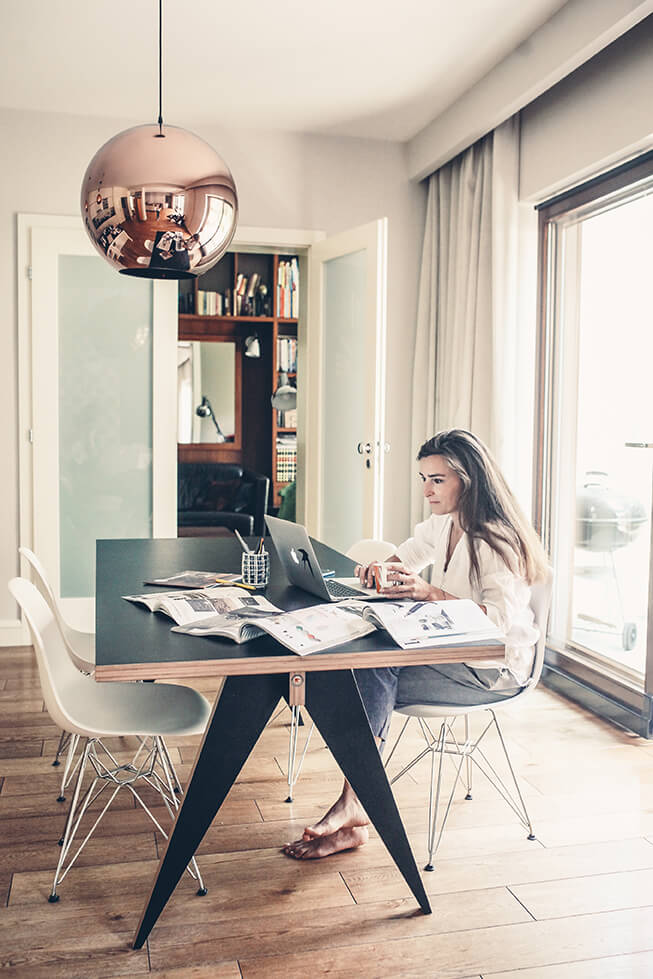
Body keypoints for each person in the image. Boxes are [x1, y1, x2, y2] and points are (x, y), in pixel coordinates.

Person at [283, 428, 549, 860]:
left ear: (469, 479)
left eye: (437, 480)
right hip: (448, 652)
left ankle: (355, 808)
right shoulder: (444, 524)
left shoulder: (499, 540)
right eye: (424, 478)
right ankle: (355, 805)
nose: (426, 489)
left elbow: (497, 625)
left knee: (363, 674)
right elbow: (403, 557)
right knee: (352, 671)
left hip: (490, 670)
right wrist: (378, 570)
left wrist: (430, 593)